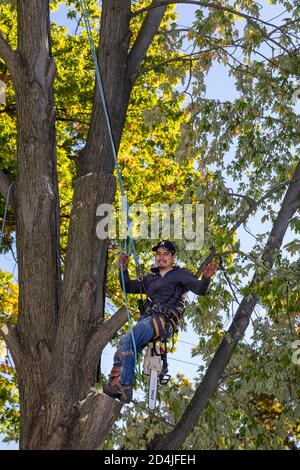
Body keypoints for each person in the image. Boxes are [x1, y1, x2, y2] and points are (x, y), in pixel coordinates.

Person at [103, 240, 216, 403]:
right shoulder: (150, 279)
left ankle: (125, 385)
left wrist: (205, 278)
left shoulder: (181, 274)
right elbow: (127, 287)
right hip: (147, 320)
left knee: (132, 337)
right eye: (158, 254)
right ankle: (116, 383)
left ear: (173, 257)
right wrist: (124, 268)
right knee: (124, 343)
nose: (161, 258)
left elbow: (200, 289)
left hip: (163, 321)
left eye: (166, 254)